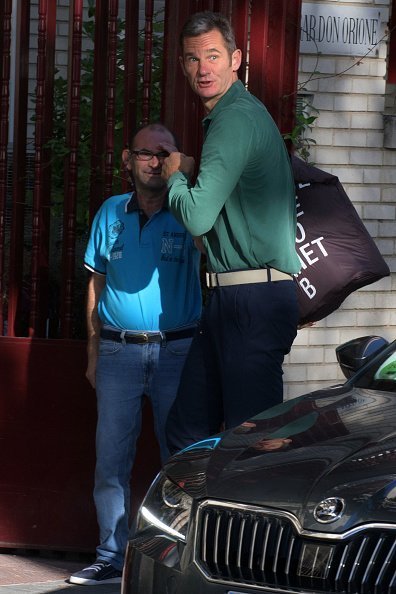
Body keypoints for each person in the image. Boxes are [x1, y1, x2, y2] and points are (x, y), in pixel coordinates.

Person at [161, 11, 301, 454]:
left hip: (251, 302)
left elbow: (198, 218)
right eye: (192, 59)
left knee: (254, 448)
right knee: (189, 434)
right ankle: (199, 525)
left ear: (235, 59)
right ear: (183, 66)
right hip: (231, 299)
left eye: (213, 56)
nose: (203, 68)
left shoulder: (234, 119)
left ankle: (264, 526)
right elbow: (213, 230)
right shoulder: (236, 117)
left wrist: (175, 175)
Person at [69, 123, 202, 585]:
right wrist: (92, 351)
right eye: (147, 154)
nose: (155, 163)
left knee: (181, 462)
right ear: (128, 159)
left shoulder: (190, 213)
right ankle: (110, 556)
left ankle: (183, 561)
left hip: (178, 352)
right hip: (119, 353)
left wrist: (188, 182)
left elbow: (214, 250)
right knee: (111, 460)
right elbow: (96, 282)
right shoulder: (110, 213)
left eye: (165, 154)